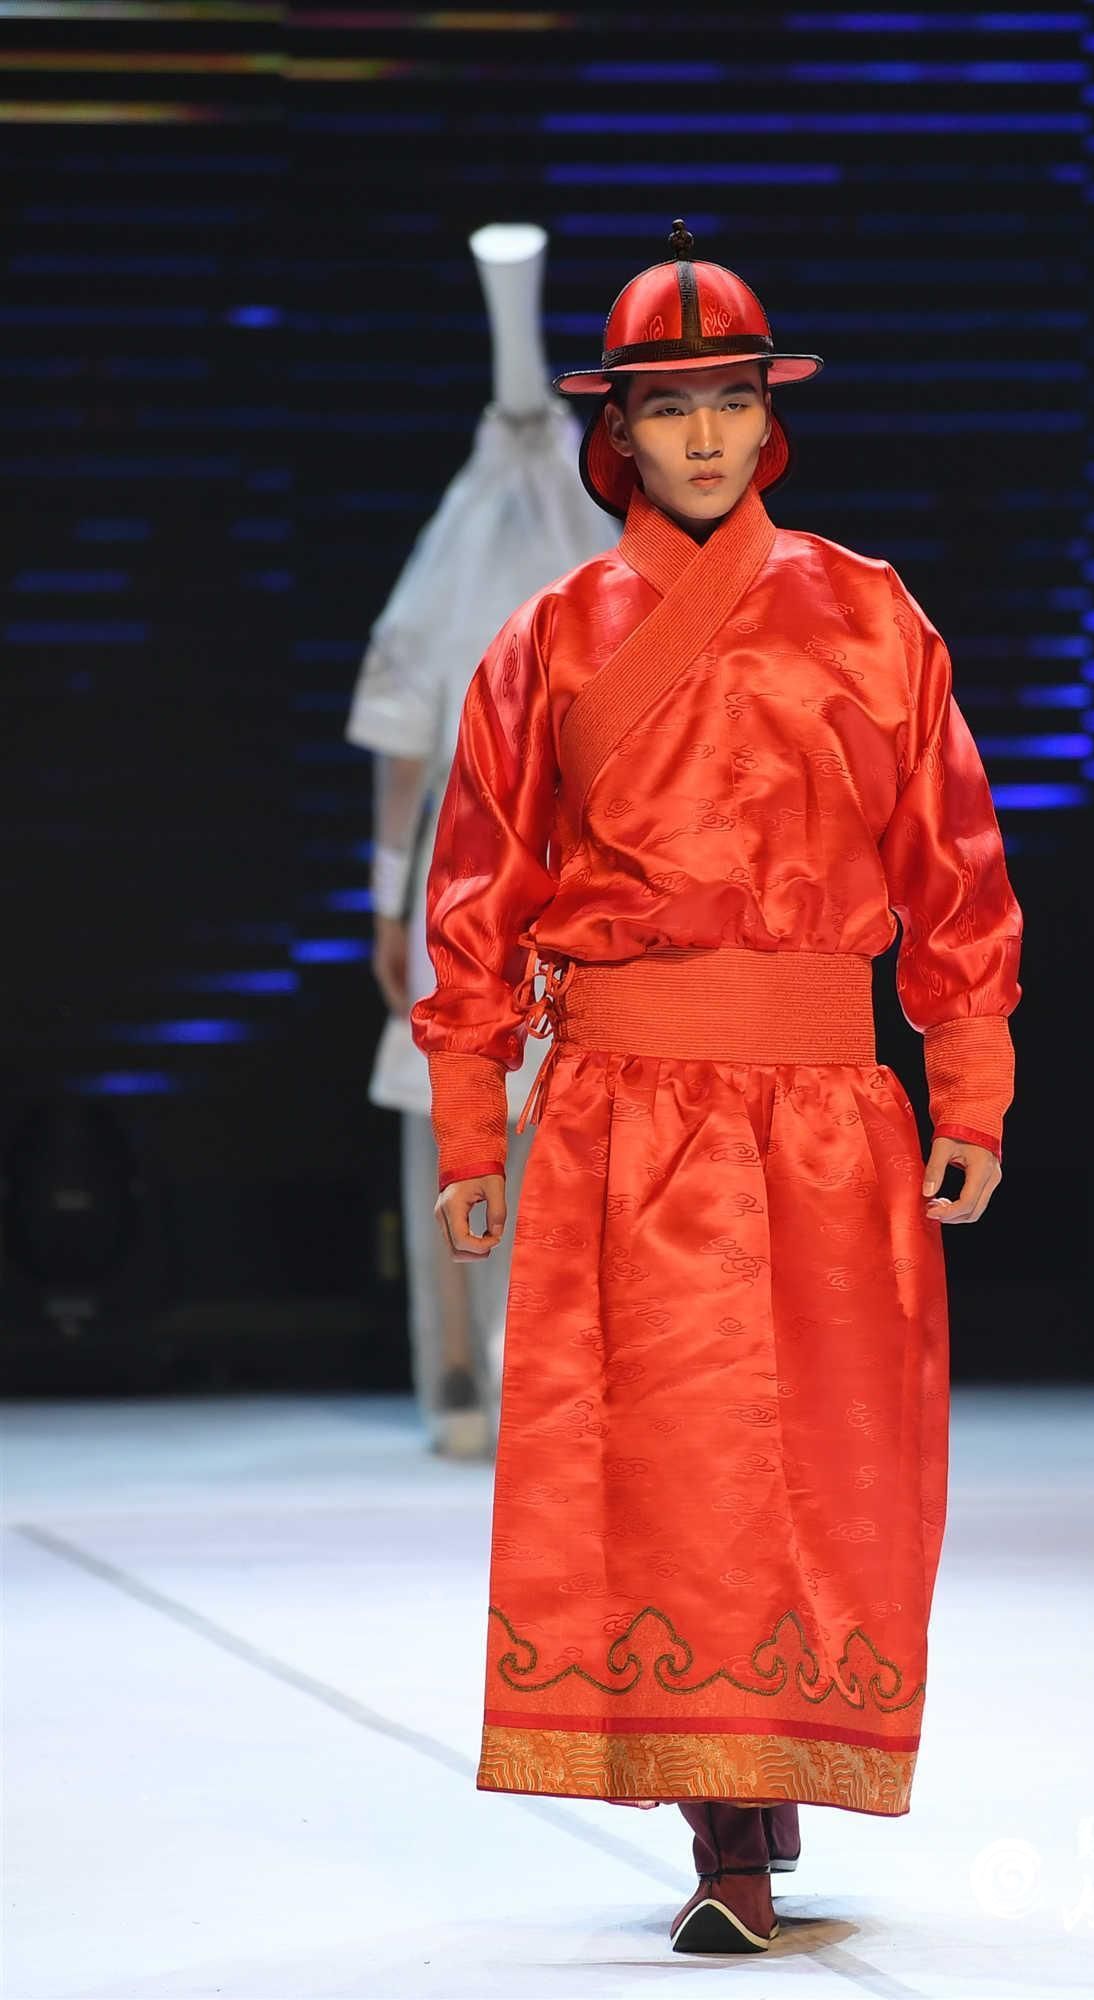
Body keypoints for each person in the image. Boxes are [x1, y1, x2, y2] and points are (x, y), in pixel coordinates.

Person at [411, 220, 1024, 1954]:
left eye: (730, 401)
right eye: (668, 407)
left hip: (823, 1096)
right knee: (676, 1467)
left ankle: (765, 1780)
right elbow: (476, 896)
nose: (701, 436)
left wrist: (967, 1089)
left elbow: (955, 868)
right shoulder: (549, 640)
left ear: (770, 418)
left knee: (821, 1465)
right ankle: (727, 1836)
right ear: (616, 430)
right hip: (628, 1109)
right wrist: (470, 1126)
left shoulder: (870, 614)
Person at [346, 222, 616, 1455]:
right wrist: (388, 899)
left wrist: (384, 895)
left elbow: (400, 744)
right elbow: (405, 745)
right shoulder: (571, 562)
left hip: (539, 878)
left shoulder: (551, 562)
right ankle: (480, 1376)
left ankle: (507, 1376)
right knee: (486, 1111)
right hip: (511, 876)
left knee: (528, 1115)